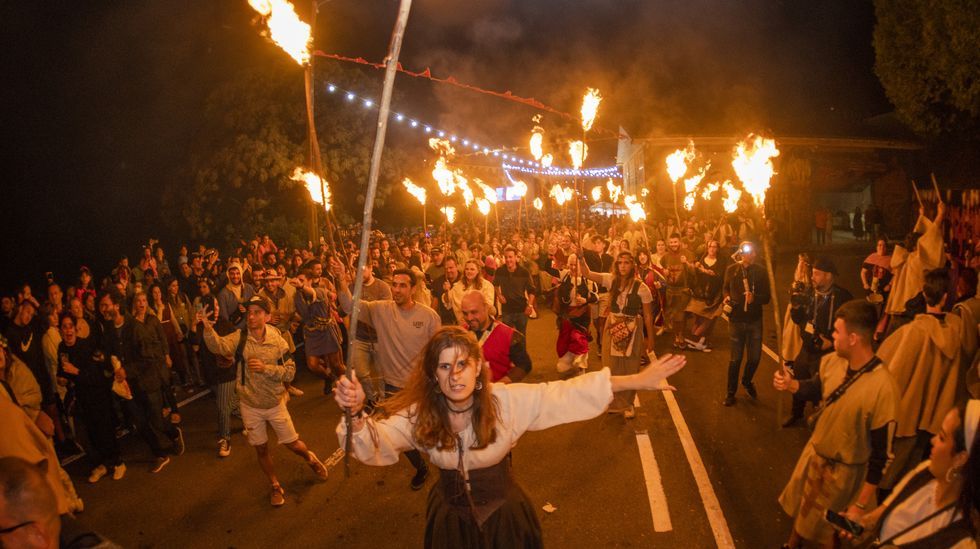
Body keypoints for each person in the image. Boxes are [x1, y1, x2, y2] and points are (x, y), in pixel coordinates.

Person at [333, 326, 687, 548]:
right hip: (450, 527)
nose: (454, 375)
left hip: (506, 521)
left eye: (462, 365)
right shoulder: (421, 414)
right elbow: (377, 439)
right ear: (433, 374)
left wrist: (635, 381)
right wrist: (357, 414)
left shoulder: (505, 401)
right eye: (444, 366)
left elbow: (563, 394)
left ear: (478, 368)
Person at [773, 300, 900, 549]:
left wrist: (860, 504)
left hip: (846, 475)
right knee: (803, 511)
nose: (832, 335)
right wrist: (791, 385)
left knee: (832, 533)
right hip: (815, 457)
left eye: (836, 331)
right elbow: (817, 387)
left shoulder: (883, 388)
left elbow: (881, 456)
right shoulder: (832, 362)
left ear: (853, 338)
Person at [198, 295, 328, 506]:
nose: (251, 316)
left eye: (257, 312)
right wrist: (206, 328)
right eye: (249, 312)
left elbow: (290, 372)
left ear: (267, 316)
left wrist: (266, 369)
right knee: (261, 449)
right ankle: (275, 485)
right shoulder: (240, 338)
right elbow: (219, 346)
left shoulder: (278, 340)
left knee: (293, 444)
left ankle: (310, 459)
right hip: (250, 405)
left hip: (275, 403)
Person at [335, 265, 440, 490]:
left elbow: (438, 352)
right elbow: (348, 306)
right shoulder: (379, 310)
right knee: (404, 437)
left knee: (433, 430)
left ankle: (446, 466)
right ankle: (421, 468)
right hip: (393, 387)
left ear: (413, 288)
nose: (397, 289)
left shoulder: (429, 316)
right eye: (394, 284)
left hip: (422, 386)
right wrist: (340, 280)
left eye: (403, 285)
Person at [838, 401, 978, 548]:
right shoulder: (924, 472)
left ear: (960, 458)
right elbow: (881, 514)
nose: (933, 440)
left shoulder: (961, 541)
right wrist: (861, 522)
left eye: (942, 437)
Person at [877, 269, 964, 492]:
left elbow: (892, 372)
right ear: (946, 297)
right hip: (936, 416)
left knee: (890, 473)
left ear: (924, 294)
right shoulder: (957, 330)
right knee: (914, 474)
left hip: (908, 416)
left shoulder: (913, 331)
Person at [581, 251, 656, 419]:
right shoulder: (611, 280)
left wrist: (650, 339)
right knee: (611, 366)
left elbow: (648, 316)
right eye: (620, 262)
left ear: (632, 265)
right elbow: (587, 273)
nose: (623, 266)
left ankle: (628, 403)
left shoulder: (641, 287)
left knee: (630, 367)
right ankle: (614, 402)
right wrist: (580, 258)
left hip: (633, 328)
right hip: (613, 326)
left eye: (626, 263)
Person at [783, 258, 853, 427]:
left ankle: (820, 419)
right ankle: (796, 413)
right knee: (799, 379)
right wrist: (796, 307)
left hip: (828, 353)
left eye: (816, 274)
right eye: (812, 273)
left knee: (821, 387)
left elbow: (850, 323)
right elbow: (798, 319)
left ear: (829, 276)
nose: (812, 277)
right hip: (807, 348)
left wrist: (831, 340)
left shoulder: (843, 297)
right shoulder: (807, 293)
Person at [55, 314, 125, 483]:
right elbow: (61, 371)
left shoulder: (85, 346)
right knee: (91, 434)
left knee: (105, 430)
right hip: (80, 398)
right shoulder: (61, 348)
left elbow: (95, 376)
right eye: (64, 327)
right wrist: (61, 378)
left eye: (70, 326)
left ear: (75, 328)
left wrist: (75, 372)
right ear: (60, 330)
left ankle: (118, 463)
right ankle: (102, 465)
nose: (68, 330)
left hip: (97, 395)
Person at [124, 291, 184, 472]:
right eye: (138, 301)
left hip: (157, 366)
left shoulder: (152, 320)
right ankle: (168, 436)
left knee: (159, 405)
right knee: (151, 414)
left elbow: (162, 338)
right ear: (134, 304)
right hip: (143, 372)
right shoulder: (132, 325)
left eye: (144, 300)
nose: (141, 303)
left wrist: (166, 355)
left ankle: (173, 430)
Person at [722, 241, 771, 406]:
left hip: (754, 321)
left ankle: (747, 380)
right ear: (742, 253)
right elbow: (725, 288)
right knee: (735, 359)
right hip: (736, 320)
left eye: (754, 252)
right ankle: (730, 393)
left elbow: (767, 297)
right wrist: (726, 297)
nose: (752, 255)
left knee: (755, 358)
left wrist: (754, 298)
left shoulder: (761, 272)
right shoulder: (732, 270)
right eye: (748, 252)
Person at [189, 289, 237, 458]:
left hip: (226, 372)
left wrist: (230, 355)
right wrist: (194, 325)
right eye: (213, 306)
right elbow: (195, 347)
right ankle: (251, 417)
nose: (216, 309)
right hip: (211, 374)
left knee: (222, 407)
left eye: (217, 305)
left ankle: (225, 439)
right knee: (232, 404)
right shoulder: (201, 326)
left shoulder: (224, 324)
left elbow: (235, 345)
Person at [460, 291, 531, 384]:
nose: (469, 318)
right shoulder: (460, 334)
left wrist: (498, 387)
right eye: (465, 313)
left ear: (486, 308)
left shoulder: (509, 335)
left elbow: (524, 365)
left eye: (474, 312)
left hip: (497, 394)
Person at [291, 269, 346, 389]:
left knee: (336, 364)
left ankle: (346, 385)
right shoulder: (297, 296)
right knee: (312, 365)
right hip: (311, 333)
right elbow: (298, 313)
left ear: (310, 281)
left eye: (302, 281)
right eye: (298, 280)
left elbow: (311, 292)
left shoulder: (319, 291)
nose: (299, 283)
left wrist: (301, 286)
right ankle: (329, 378)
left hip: (326, 331)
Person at [546, 253, 598, 374]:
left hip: (582, 314)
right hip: (566, 314)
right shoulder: (565, 275)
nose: (573, 268)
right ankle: (567, 361)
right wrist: (551, 255)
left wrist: (586, 300)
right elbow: (548, 269)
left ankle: (581, 366)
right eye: (571, 265)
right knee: (565, 339)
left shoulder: (588, 279)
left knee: (579, 338)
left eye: (576, 265)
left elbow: (596, 296)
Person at [685, 239, 729, 352]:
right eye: (710, 246)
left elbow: (720, 276)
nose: (712, 249)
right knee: (698, 320)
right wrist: (697, 267)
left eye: (714, 247)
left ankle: (698, 339)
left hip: (714, 296)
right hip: (700, 295)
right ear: (707, 248)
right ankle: (696, 339)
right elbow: (694, 275)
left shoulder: (720, 261)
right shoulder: (701, 260)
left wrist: (708, 272)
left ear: (717, 249)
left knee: (711, 317)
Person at [660, 233, 694, 350]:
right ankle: (676, 336)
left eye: (675, 242)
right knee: (674, 316)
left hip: (683, 290)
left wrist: (686, 263)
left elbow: (693, 271)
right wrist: (664, 272)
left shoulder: (687, 254)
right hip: (670, 290)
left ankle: (681, 335)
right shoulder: (665, 257)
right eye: (671, 242)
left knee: (681, 315)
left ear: (679, 242)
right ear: (668, 243)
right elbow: (663, 269)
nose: (673, 244)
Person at [494, 247, 536, 336]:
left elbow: (532, 290)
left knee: (521, 336)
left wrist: (530, 305)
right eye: (506, 257)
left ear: (516, 257)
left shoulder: (524, 272)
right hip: (507, 310)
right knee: (507, 337)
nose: (508, 260)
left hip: (521, 310)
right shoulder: (500, 271)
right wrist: (499, 295)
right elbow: (495, 284)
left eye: (510, 257)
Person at [448, 259, 496, 324]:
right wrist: (447, 290)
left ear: (478, 271)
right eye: (467, 269)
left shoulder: (487, 286)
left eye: (472, 269)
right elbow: (449, 301)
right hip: (465, 324)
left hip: (484, 324)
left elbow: (488, 306)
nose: (469, 271)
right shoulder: (457, 287)